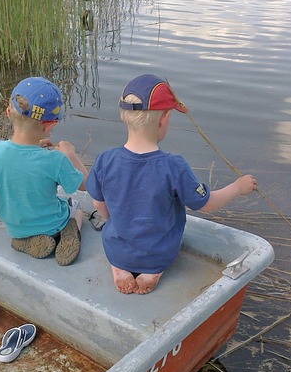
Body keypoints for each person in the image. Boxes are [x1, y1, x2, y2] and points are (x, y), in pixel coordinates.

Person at [85, 74, 257, 294]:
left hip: (117, 248)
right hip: (158, 253)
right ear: (164, 118)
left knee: (113, 234)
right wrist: (237, 187)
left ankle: (120, 268)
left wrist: (116, 220)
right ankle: (151, 271)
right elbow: (206, 204)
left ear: (123, 115)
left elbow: (99, 203)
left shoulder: (105, 159)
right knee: (156, 252)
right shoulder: (174, 166)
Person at [0, 76, 88, 266]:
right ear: (50, 125)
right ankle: (71, 232)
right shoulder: (54, 160)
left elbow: (8, 168)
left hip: (15, 228)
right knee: (77, 206)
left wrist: (35, 146)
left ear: (8, 112)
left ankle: (22, 241)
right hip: (52, 227)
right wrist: (70, 154)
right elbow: (86, 185)